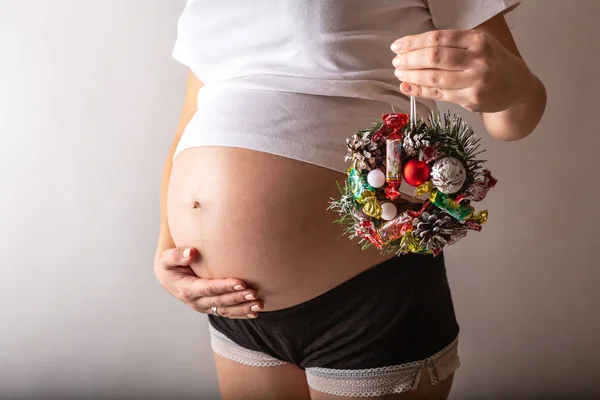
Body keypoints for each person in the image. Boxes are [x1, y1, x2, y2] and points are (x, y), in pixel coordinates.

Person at [153, 1, 546, 399]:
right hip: (235, 311)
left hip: (367, 300)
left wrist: (515, 86)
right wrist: (166, 250)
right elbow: (192, 120)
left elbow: (514, 117)